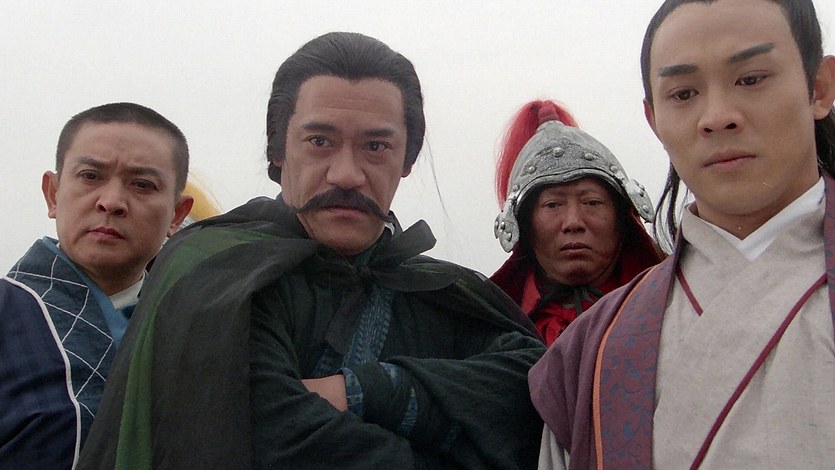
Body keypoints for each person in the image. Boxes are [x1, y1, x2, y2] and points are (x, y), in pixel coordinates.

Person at [79, 32, 545, 469]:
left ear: (407, 159)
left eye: (376, 146)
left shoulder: (443, 292)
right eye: (320, 142)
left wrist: (371, 391)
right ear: (278, 150)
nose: (346, 174)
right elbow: (274, 437)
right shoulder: (213, 276)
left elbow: (535, 390)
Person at [529, 0, 835, 468]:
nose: (717, 116)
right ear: (653, 120)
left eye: (751, 79)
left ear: (819, 88)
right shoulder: (588, 352)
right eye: (683, 93)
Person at [0, 103, 193, 468]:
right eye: (90, 176)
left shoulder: (200, 332)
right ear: (53, 194)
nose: (111, 202)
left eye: (142, 184)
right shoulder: (8, 310)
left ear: (177, 215)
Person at [491, 100, 661, 345]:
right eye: (553, 205)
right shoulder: (486, 327)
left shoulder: (676, 301)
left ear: (622, 219)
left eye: (591, 202)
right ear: (525, 226)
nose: (573, 222)